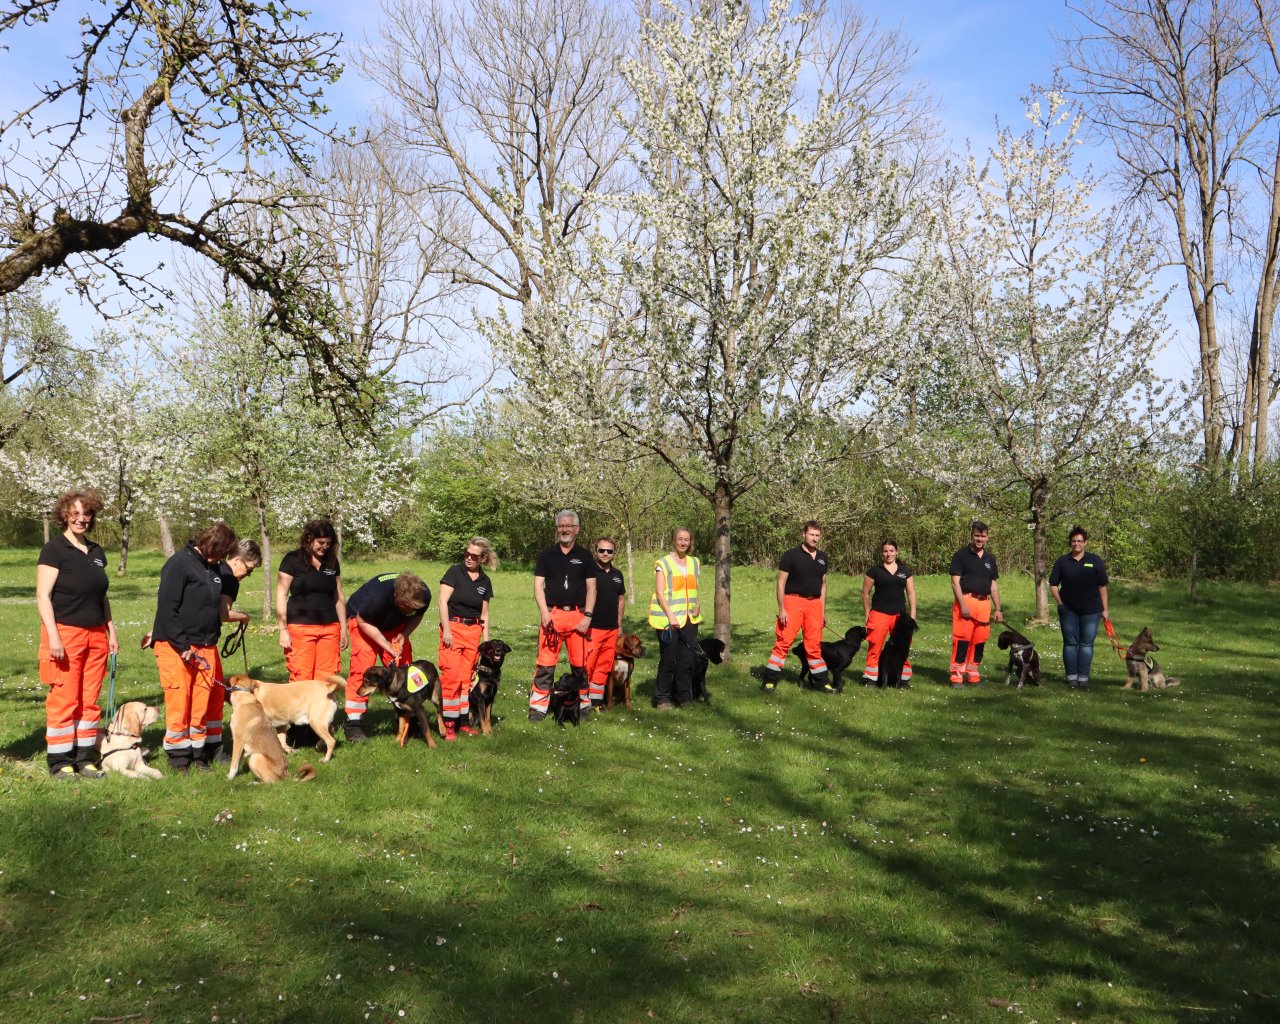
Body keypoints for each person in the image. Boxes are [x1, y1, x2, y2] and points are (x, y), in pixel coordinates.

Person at [35, 487, 119, 779]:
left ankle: (85, 759)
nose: (81, 519)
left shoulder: (96, 552)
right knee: (65, 697)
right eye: (75, 514)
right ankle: (60, 762)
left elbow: (101, 595)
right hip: (66, 633)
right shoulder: (54, 550)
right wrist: (54, 636)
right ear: (65, 516)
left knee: (89, 700)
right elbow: (43, 596)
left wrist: (111, 630)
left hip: (96, 634)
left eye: (86, 514)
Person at [151, 522, 240, 771]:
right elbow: (168, 609)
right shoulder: (179, 564)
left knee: (200, 706)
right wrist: (182, 645)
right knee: (180, 703)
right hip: (177, 646)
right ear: (212, 546)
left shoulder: (212, 568)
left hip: (205, 646)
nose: (223, 559)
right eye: (222, 553)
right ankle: (179, 758)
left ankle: (199, 756)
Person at [343, 571, 430, 741]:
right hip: (364, 622)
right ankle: (354, 724)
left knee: (405, 670)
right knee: (363, 670)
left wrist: (404, 634)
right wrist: (385, 644)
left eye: (412, 608)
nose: (409, 611)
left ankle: (409, 719)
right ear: (396, 595)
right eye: (406, 607)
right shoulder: (377, 597)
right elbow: (363, 620)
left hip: (394, 626)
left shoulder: (423, 595)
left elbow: (418, 615)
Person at [529, 510, 596, 722]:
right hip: (553, 615)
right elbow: (538, 586)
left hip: (578, 617)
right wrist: (544, 613)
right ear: (557, 529)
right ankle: (538, 708)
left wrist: (587, 617)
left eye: (569, 526)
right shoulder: (547, 554)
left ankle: (583, 705)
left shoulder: (585, 556)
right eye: (561, 526)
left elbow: (592, 589)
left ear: (577, 529)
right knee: (545, 665)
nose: (564, 529)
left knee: (580, 665)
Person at [204, 539, 262, 762]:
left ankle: (208, 744)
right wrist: (244, 617)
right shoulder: (229, 579)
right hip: (204, 642)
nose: (248, 575)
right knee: (216, 694)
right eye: (249, 569)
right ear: (237, 560)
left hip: (202, 639)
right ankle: (212, 747)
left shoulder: (213, 568)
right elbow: (224, 613)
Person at [761, 521, 831, 693]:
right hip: (793, 602)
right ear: (804, 534)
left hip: (815, 604)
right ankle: (769, 680)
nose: (814, 538)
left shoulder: (823, 557)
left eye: (817, 535)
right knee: (784, 641)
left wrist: (822, 610)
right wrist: (782, 608)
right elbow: (780, 583)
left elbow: (823, 584)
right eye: (811, 534)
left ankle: (821, 683)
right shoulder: (790, 555)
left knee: (814, 645)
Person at [437, 537, 496, 740]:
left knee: (467, 679)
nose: (469, 558)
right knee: (451, 678)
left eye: (474, 556)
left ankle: (463, 722)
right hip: (453, 628)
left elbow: (485, 614)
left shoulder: (485, 582)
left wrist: (486, 643)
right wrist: (446, 631)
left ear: (483, 558)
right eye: (467, 553)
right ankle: (448, 724)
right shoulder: (455, 572)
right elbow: (442, 602)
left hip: (474, 633)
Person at [276, 519, 347, 681]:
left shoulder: (332, 562)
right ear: (309, 539)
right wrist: (283, 630)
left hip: (330, 628)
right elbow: (281, 595)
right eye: (320, 542)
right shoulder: (292, 560)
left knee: (327, 679)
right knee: (302, 677)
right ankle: (300, 708)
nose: (325, 547)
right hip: (300, 627)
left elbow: (338, 597)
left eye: (328, 543)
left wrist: (343, 628)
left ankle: (324, 707)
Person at [647, 526, 703, 708]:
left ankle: (684, 697)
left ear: (690, 542)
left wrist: (697, 605)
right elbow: (660, 592)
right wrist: (671, 616)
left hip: (689, 620)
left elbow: (694, 588)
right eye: (680, 539)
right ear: (674, 540)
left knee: (686, 661)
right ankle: (662, 698)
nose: (683, 542)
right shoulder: (663, 563)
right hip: (667, 620)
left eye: (686, 539)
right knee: (669, 659)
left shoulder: (695, 562)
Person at [1049, 526, 1111, 690]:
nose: (1076, 544)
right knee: (1070, 643)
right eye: (1074, 541)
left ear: (1085, 543)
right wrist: (1060, 603)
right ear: (1070, 543)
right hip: (1068, 610)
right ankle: (1071, 678)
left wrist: (1105, 609)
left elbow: (1102, 586)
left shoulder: (1095, 561)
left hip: (1092, 611)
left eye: (1079, 541)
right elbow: (1053, 584)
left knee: (1086, 644)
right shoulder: (1062, 561)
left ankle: (1083, 678)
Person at [948, 520, 1004, 686]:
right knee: (962, 641)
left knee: (979, 641)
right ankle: (956, 676)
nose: (979, 539)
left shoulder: (990, 558)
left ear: (987, 537)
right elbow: (954, 582)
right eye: (977, 536)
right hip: (966, 601)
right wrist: (963, 605)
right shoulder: (960, 555)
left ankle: (973, 675)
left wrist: (998, 609)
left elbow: (993, 585)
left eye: (983, 536)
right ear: (972, 536)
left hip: (984, 604)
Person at [861, 539, 917, 685]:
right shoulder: (874, 571)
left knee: (902, 648)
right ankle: (870, 679)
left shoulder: (905, 571)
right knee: (875, 647)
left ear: (896, 552)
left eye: (891, 551)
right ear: (882, 553)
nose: (889, 554)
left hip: (900, 616)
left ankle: (902, 680)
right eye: (885, 551)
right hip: (879, 613)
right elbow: (865, 593)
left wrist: (912, 614)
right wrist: (867, 612)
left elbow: (911, 593)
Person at [583, 536, 626, 711]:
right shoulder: (588, 572)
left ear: (614, 553)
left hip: (611, 630)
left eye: (609, 551)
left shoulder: (618, 575)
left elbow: (621, 599)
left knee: (603, 667)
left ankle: (596, 702)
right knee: (588, 666)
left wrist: (619, 623)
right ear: (596, 552)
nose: (605, 554)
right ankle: (582, 701)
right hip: (593, 628)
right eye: (602, 550)